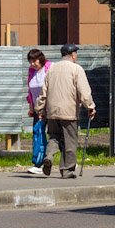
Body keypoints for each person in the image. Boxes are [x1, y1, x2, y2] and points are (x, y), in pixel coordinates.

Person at [35, 43, 94, 179]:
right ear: (73, 55)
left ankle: (49, 156)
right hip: (69, 112)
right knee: (70, 141)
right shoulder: (76, 69)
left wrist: (40, 110)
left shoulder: (52, 69)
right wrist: (90, 106)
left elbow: (44, 92)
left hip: (53, 111)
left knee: (54, 137)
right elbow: (84, 92)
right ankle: (67, 170)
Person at [26, 49, 52, 177]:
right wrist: (31, 107)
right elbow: (30, 91)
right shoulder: (31, 72)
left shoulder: (50, 68)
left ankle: (68, 161)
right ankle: (38, 164)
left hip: (51, 108)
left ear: (41, 60)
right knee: (38, 135)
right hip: (38, 109)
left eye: (34, 61)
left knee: (55, 135)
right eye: (30, 61)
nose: (32, 64)